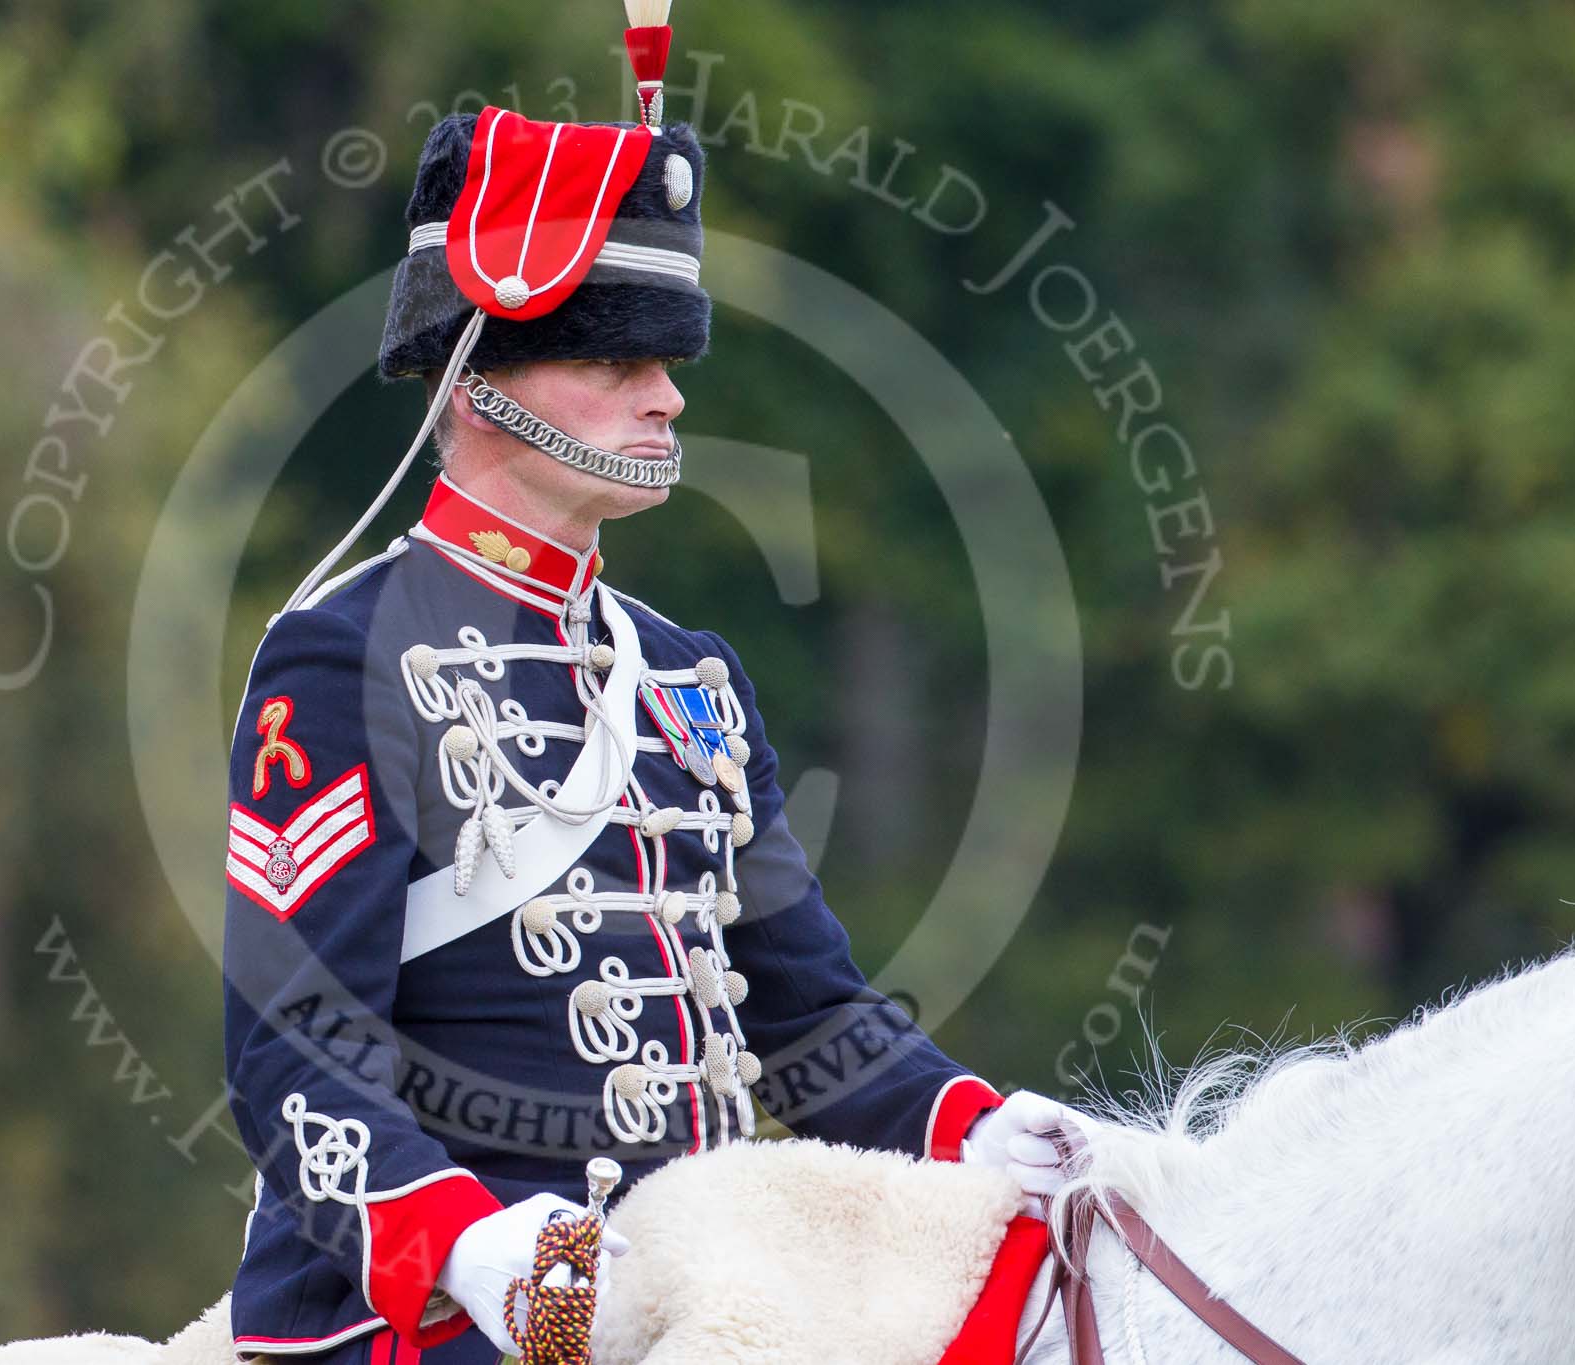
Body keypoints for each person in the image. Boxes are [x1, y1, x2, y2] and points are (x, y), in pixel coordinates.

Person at [221, 14, 1091, 1362]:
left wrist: (969, 1121)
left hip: (694, 1262)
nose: (667, 398)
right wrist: (461, 1235)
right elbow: (293, 1047)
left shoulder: (688, 675)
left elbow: (804, 1013)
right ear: (477, 381)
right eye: (614, 361)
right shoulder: (346, 651)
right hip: (444, 1296)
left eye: (668, 362)